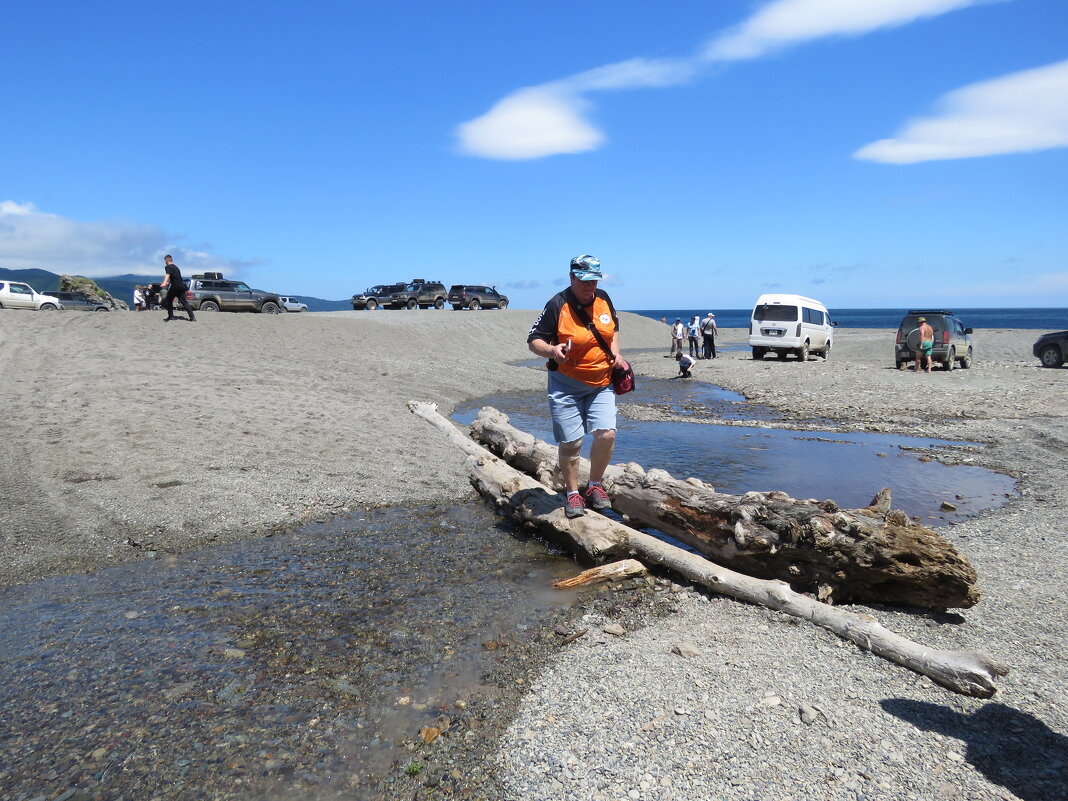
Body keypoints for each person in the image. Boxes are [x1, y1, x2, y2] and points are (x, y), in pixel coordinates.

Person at [527, 255, 627, 519]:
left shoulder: (603, 298)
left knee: (607, 434)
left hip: (601, 382)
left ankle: (594, 485)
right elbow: (533, 340)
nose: (589, 286)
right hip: (565, 385)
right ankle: (573, 493)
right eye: (584, 280)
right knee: (572, 442)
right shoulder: (557, 304)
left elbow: (614, 328)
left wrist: (616, 353)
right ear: (571, 277)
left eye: (594, 280)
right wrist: (552, 350)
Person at [160, 255, 196, 322]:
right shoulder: (176, 267)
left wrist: (164, 282)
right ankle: (192, 317)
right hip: (181, 286)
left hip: (175, 287)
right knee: (184, 302)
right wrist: (169, 282)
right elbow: (176, 277)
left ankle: (171, 316)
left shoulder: (168, 267)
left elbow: (168, 274)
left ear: (166, 260)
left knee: (169, 300)